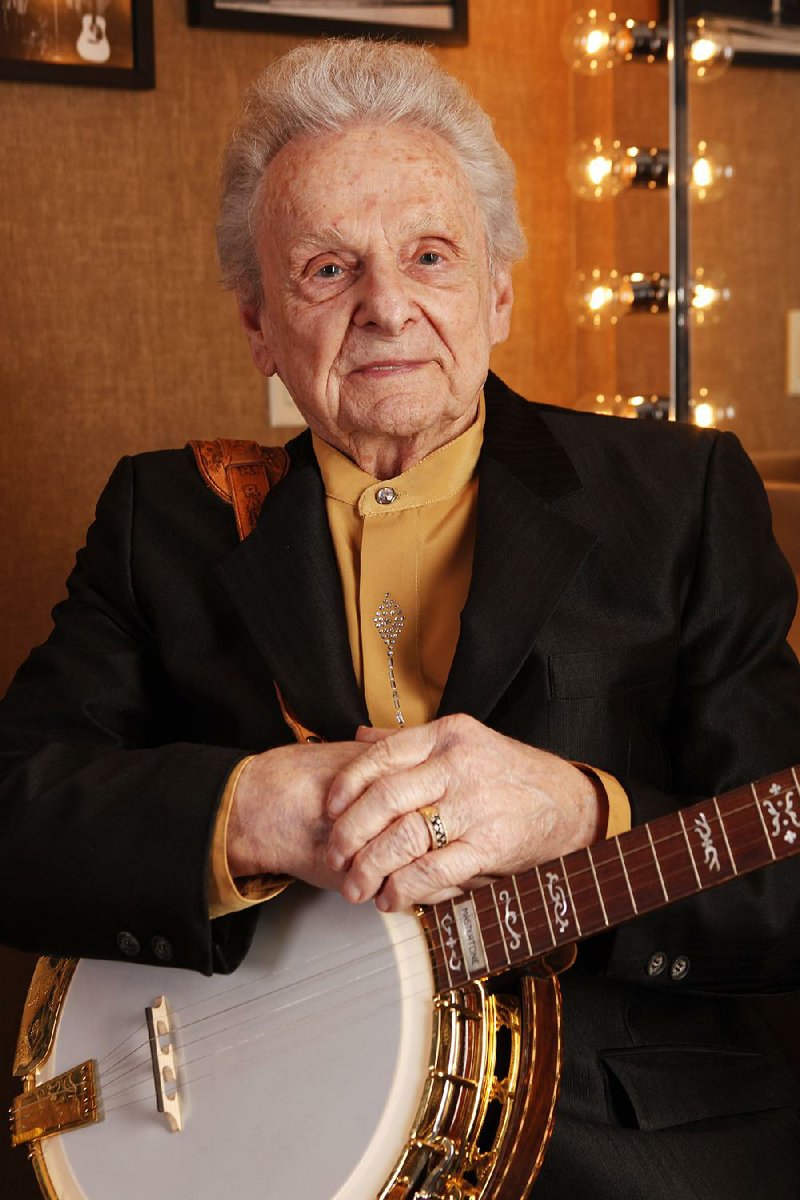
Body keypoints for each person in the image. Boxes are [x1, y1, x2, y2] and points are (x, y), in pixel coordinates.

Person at [1, 38, 799, 1199]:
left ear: (497, 291)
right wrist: (247, 810)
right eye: (327, 270)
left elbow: (783, 886)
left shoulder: (679, 497)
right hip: (255, 1131)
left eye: (429, 256)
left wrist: (582, 814)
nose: (386, 307)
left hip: (612, 1142)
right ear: (259, 325)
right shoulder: (161, 517)